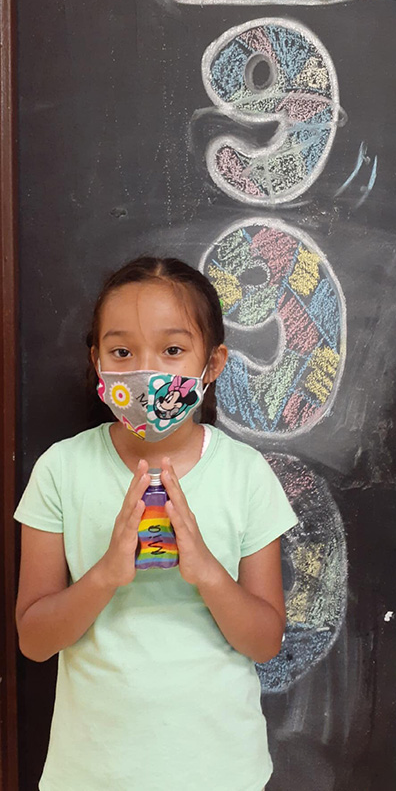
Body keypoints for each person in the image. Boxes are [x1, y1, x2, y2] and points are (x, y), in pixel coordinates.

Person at [14, 256, 298, 791]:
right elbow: (34, 640)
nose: (147, 371)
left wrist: (209, 573)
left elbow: (265, 642)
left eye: (172, 350)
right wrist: (104, 576)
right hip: (92, 773)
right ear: (97, 361)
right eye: (122, 352)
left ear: (212, 364)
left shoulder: (245, 474)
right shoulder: (61, 469)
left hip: (221, 770)